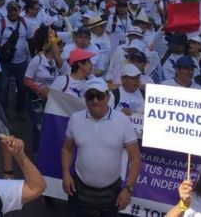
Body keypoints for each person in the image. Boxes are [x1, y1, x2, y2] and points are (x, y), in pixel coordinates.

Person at [61, 78, 142, 217]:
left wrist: (128, 189)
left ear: (108, 96)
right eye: (90, 96)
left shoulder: (122, 121)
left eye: (99, 96)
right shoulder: (75, 119)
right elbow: (67, 149)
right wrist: (65, 173)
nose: (95, 100)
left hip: (110, 194)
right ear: (85, 98)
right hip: (78, 189)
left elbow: (135, 158)